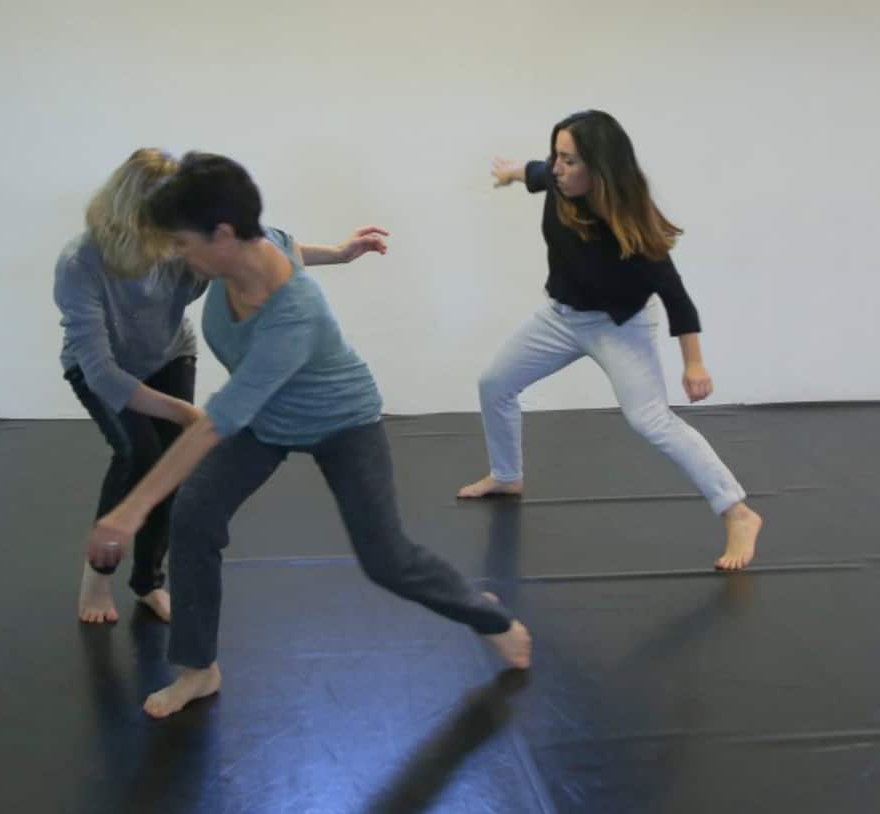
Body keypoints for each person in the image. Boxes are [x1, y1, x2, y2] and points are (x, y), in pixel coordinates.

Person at [85, 153, 531, 718]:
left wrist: (128, 512)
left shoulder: (294, 314)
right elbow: (293, 244)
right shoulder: (248, 245)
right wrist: (342, 253)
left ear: (222, 235)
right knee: (194, 517)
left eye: (181, 243)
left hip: (342, 420)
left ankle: (488, 617)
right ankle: (198, 669)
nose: (177, 255)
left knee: (386, 559)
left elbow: (218, 421)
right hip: (270, 421)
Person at [55, 148, 391, 624]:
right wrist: (187, 415)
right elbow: (103, 374)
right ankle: (98, 574)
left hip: (170, 353)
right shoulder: (80, 263)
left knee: (174, 467)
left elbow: (264, 245)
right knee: (138, 454)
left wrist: (338, 253)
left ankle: (148, 581)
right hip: (102, 370)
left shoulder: (182, 245)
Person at [457, 110, 762, 571]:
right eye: (556, 156)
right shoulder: (556, 183)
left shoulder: (632, 228)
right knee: (494, 385)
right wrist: (509, 173)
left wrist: (694, 364)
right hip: (560, 318)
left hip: (620, 327)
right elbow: (532, 172)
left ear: (599, 169)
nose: (557, 168)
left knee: (650, 420)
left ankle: (737, 511)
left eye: (570, 161)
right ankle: (506, 476)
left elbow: (678, 300)